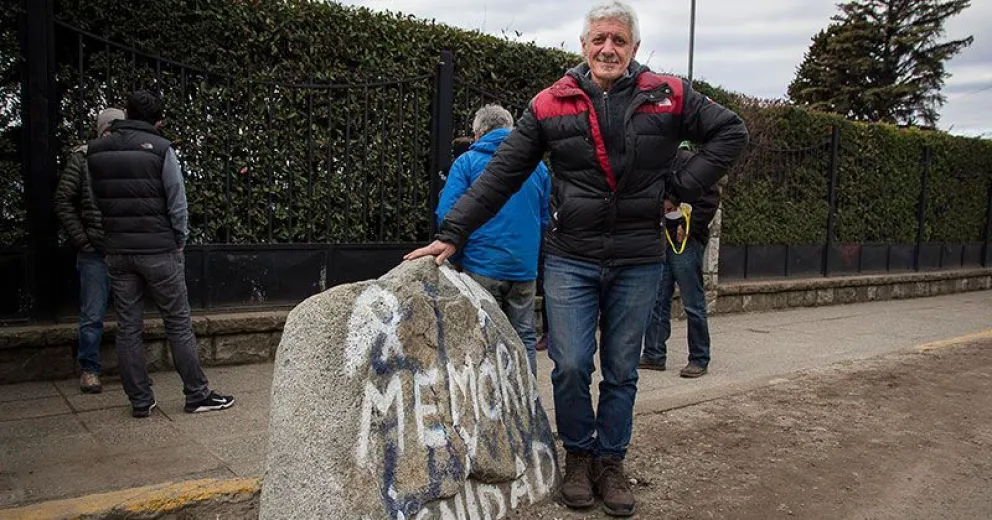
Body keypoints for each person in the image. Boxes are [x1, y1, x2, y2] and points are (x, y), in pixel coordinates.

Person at [404, 1, 748, 515]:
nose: (608, 48)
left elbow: (732, 132)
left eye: (619, 39)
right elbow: (503, 172)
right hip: (571, 258)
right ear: (583, 46)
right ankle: (578, 456)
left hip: (638, 256)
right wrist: (452, 234)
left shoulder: (669, 94)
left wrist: (679, 185)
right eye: (598, 39)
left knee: (622, 368)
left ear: (633, 46)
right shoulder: (550, 103)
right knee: (568, 365)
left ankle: (611, 463)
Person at [87, 90, 234, 418]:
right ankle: (196, 394)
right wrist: (178, 240)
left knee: (127, 326)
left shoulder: (96, 151)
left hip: (118, 251)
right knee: (178, 323)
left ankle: (140, 401)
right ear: (158, 121)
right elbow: (177, 201)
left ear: (126, 112)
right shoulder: (161, 149)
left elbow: (96, 204)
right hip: (159, 250)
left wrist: (109, 236)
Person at [436, 104, 550, 375]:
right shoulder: (538, 167)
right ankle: (528, 401)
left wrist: (459, 258)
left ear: (479, 134)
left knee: (485, 336)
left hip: (482, 263)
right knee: (524, 335)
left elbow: (447, 214)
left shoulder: (467, 163)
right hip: (524, 266)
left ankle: (491, 409)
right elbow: (544, 217)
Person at [54, 108, 125, 394]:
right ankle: (89, 369)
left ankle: (129, 369)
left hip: (123, 247)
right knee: (92, 314)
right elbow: (63, 200)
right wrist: (82, 240)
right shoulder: (82, 158)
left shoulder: (126, 159)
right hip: (94, 249)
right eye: (112, 129)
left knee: (129, 314)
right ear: (102, 131)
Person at [640, 145, 719, 378]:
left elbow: (710, 197)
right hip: (661, 239)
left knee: (692, 302)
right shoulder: (656, 162)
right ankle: (654, 353)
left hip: (685, 241)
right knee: (657, 299)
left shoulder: (689, 162)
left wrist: (690, 226)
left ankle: (699, 357)